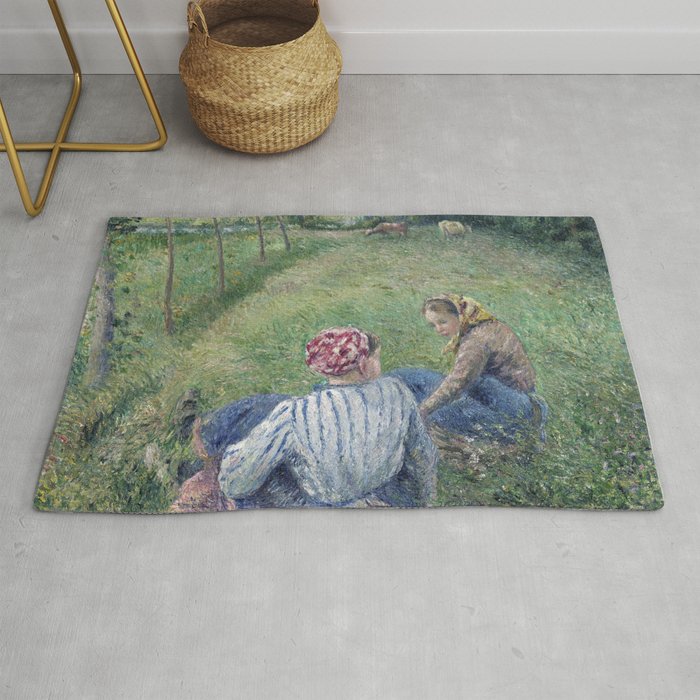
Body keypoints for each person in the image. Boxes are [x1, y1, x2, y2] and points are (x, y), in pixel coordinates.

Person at [176, 327, 438, 510]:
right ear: (362, 364)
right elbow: (422, 455)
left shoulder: (296, 413)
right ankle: (205, 435)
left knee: (256, 445)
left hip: (318, 504)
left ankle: (200, 443)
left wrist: (231, 465)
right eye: (376, 359)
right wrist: (421, 500)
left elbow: (236, 484)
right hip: (379, 490)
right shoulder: (397, 391)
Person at [389, 294, 547, 445]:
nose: (438, 329)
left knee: (434, 413)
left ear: (458, 314)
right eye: (434, 325)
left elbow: (457, 383)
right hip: (503, 395)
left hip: (511, 406)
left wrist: (423, 410)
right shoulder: (485, 325)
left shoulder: (476, 341)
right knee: (409, 377)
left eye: (442, 322)